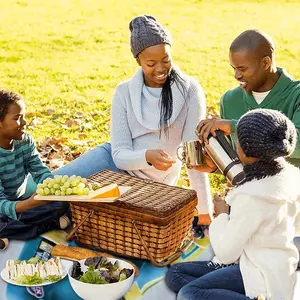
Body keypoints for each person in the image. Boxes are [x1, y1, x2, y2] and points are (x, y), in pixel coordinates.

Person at [29, 15, 212, 224]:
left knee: (87, 216)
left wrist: (205, 212)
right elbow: (119, 155)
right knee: (48, 189)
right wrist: (146, 156)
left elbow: (193, 157)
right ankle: (10, 209)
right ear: (138, 61)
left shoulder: (190, 91)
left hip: (150, 186)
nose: (160, 69)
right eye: (151, 63)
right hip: (114, 163)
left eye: (166, 59)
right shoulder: (124, 92)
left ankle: (61, 216)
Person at [165, 108, 300, 300]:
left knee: (189, 293)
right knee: (175, 274)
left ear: (244, 150)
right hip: (276, 267)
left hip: (259, 275)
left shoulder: (251, 197)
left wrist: (222, 215)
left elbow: (226, 253)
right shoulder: (292, 177)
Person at [195, 29, 300, 172]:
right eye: (234, 68)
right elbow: (239, 163)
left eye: (242, 69)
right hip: (250, 190)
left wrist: (235, 127)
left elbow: (296, 144)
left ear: (266, 63)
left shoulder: (296, 95)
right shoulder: (230, 100)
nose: (236, 75)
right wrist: (214, 167)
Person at [0, 90, 70, 241]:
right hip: (4, 207)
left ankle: (14, 230)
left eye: (24, 116)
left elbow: (40, 172)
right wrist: (29, 204)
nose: (24, 122)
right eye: (17, 118)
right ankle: (44, 226)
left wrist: (53, 189)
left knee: (64, 203)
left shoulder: (25, 141)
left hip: (20, 201)